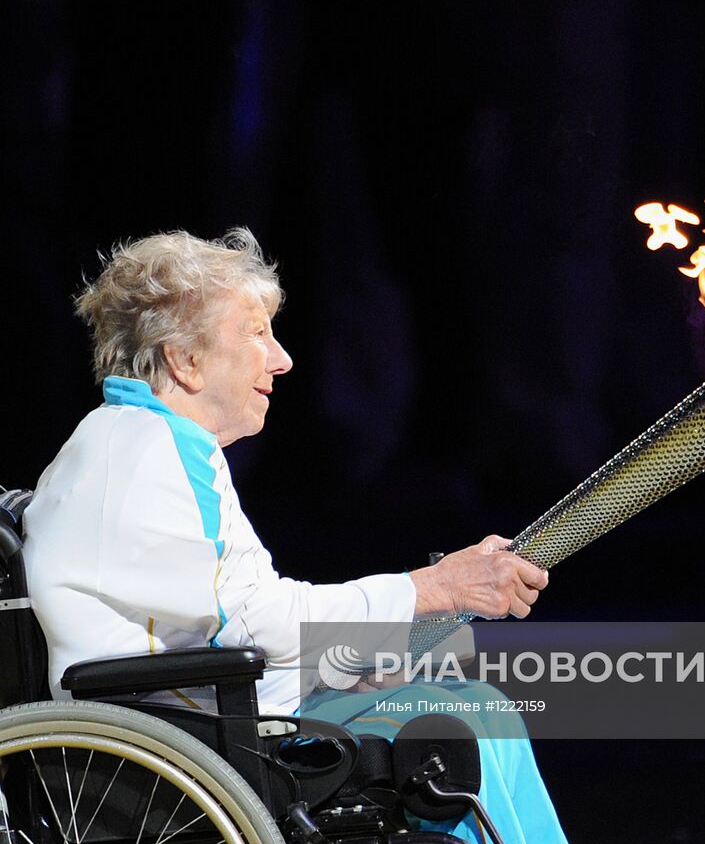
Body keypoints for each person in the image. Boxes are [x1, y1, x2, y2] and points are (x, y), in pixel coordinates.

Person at [22, 228, 567, 844]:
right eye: (255, 333)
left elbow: (230, 624)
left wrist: (337, 669)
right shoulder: (152, 451)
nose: (281, 359)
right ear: (185, 359)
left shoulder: (134, 441)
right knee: (463, 724)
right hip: (185, 750)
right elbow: (256, 625)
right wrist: (432, 589)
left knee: (476, 707)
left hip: (199, 720)